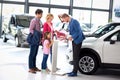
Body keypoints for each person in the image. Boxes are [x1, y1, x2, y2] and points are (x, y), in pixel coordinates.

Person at [28, 9, 43, 74]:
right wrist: (36, 34)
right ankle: (31, 68)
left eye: (41, 14)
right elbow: (31, 29)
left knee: (35, 54)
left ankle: (34, 67)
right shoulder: (34, 20)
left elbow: (40, 29)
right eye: (40, 14)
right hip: (34, 39)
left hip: (37, 39)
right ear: (37, 14)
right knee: (32, 54)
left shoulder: (40, 21)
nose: (41, 15)